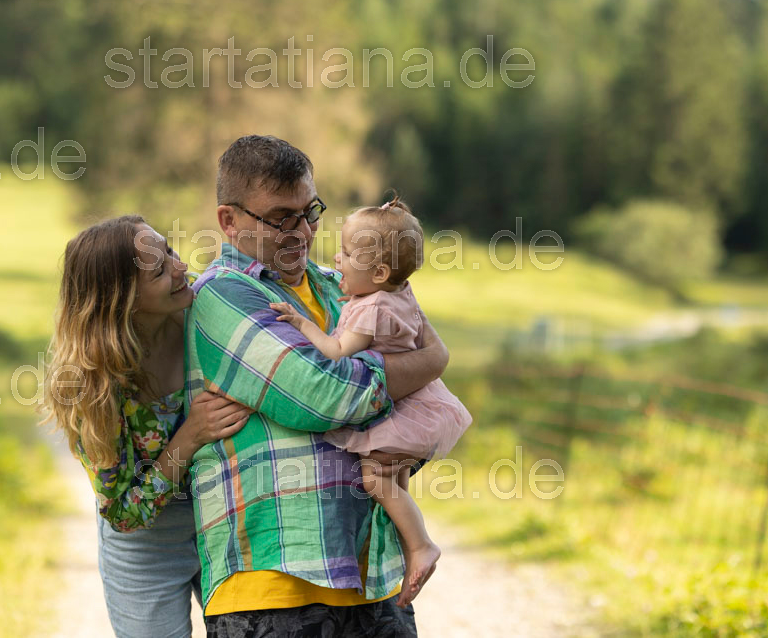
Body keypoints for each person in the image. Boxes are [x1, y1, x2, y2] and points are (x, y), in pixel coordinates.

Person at [186, 135, 449, 637]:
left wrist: (430, 363)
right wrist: (429, 361)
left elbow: (422, 366)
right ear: (229, 220)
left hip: (372, 577)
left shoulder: (337, 283)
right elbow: (327, 397)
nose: (303, 232)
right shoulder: (222, 295)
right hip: (274, 584)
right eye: (281, 218)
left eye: (310, 212)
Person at [41, 215, 252, 637]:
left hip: (223, 521)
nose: (180, 267)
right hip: (145, 547)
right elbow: (123, 512)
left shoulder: (203, 321)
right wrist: (191, 435)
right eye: (158, 271)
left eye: (169, 251)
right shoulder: (89, 382)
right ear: (122, 300)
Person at [269, 195, 472, 605]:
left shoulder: (370, 309)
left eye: (346, 254)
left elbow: (336, 352)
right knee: (394, 481)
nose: (337, 259)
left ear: (379, 272)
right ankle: (408, 551)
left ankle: (421, 545)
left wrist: (301, 323)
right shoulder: (398, 291)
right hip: (419, 404)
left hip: (398, 410)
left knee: (374, 479)